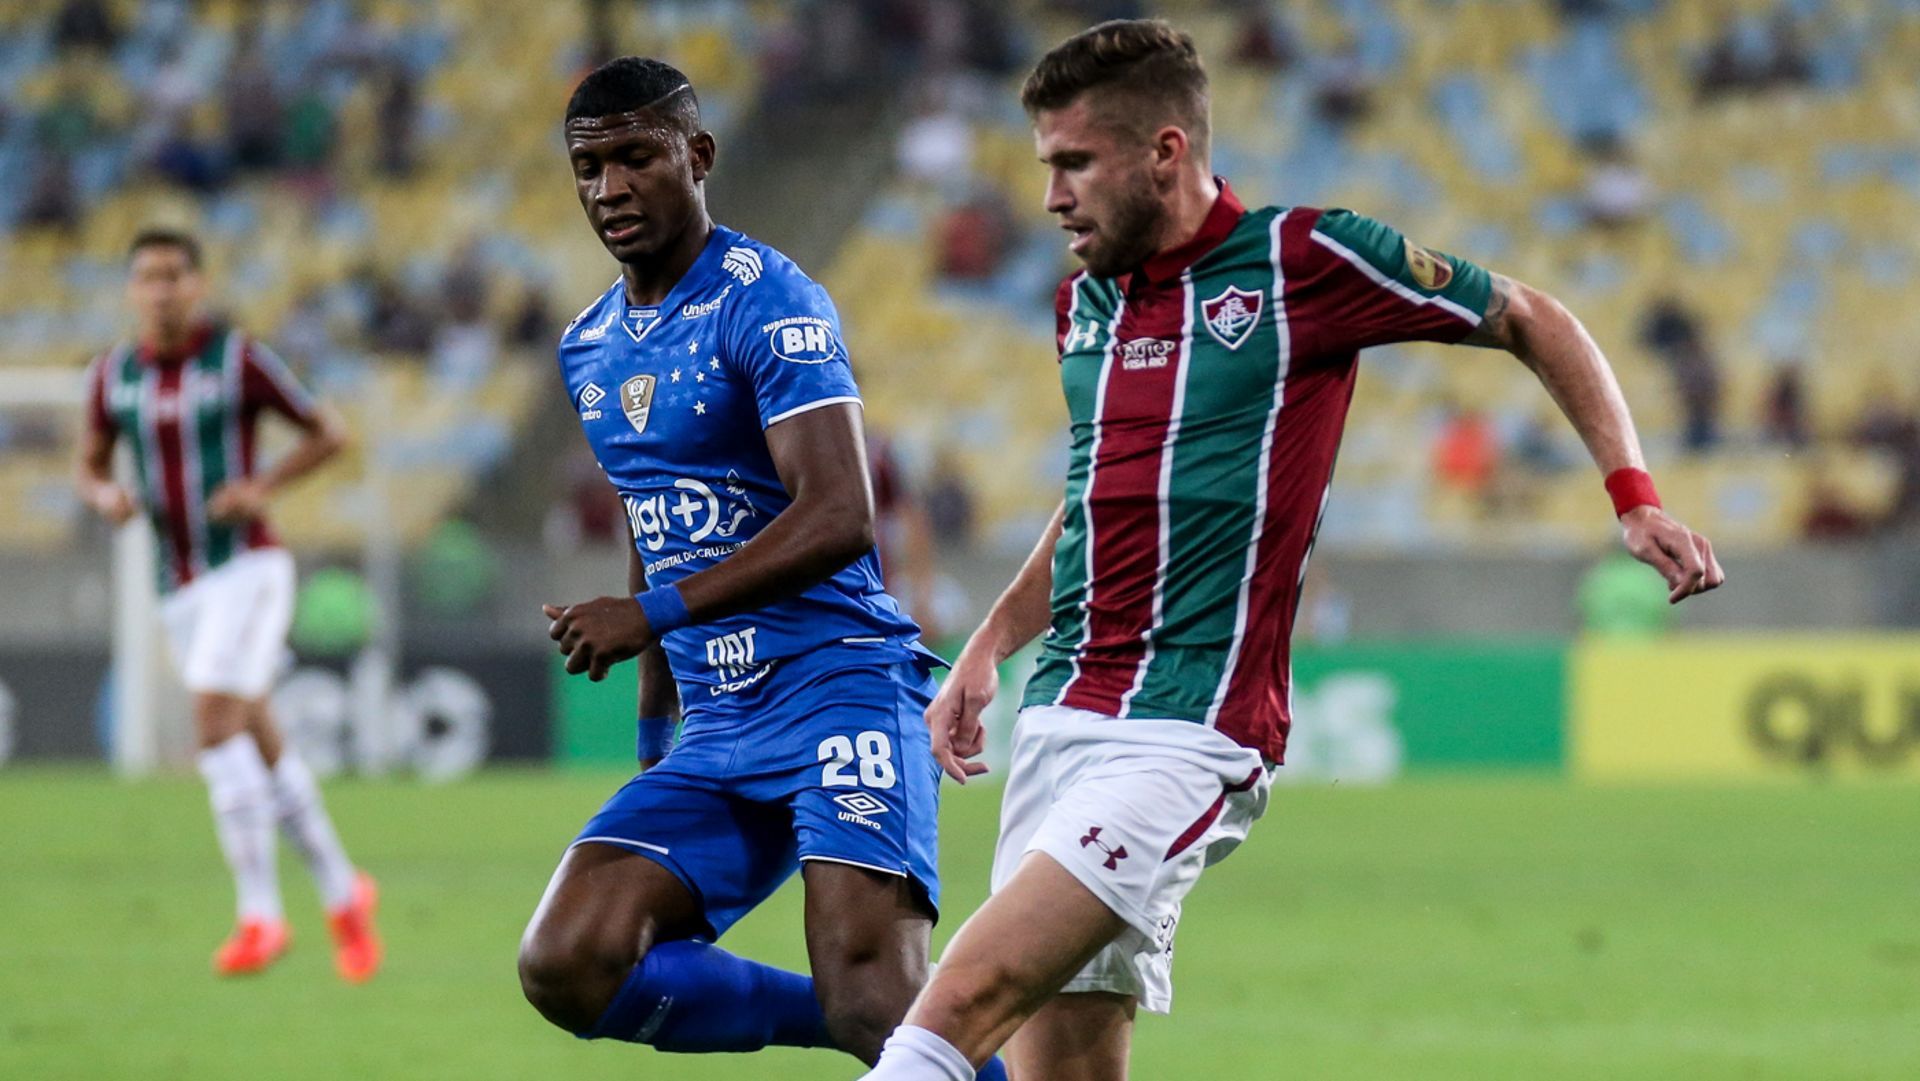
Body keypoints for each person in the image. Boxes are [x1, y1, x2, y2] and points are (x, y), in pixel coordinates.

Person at [860, 20, 1726, 1080]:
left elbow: (1530, 316)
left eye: (1075, 163)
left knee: (956, 1001)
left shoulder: (1301, 259)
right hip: (1062, 722)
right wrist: (992, 640)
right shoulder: (1083, 303)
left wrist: (1632, 495)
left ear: (1165, 152)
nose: (1051, 198)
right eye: (1047, 167)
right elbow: (1095, 496)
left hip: (1187, 733)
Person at [518, 57, 1006, 1078]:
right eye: (589, 167)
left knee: (876, 991)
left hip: (838, 687)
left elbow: (839, 515)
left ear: (697, 156)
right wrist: (658, 728)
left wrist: (648, 613)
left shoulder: (769, 298)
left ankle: (889, 1028)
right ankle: (873, 1032)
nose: (610, 189)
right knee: (570, 960)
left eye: (636, 159)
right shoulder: (588, 344)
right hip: (721, 720)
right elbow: (655, 524)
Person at [74, 228, 381, 981]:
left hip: (247, 565)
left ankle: (260, 916)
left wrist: (261, 487)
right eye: (147, 276)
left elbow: (328, 432)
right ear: (131, 289)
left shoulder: (237, 360)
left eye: (175, 274)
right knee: (256, 733)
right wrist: (106, 493)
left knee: (212, 717)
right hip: (177, 584)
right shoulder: (113, 375)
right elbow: (87, 463)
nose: (162, 288)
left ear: (198, 284)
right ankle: (344, 892)